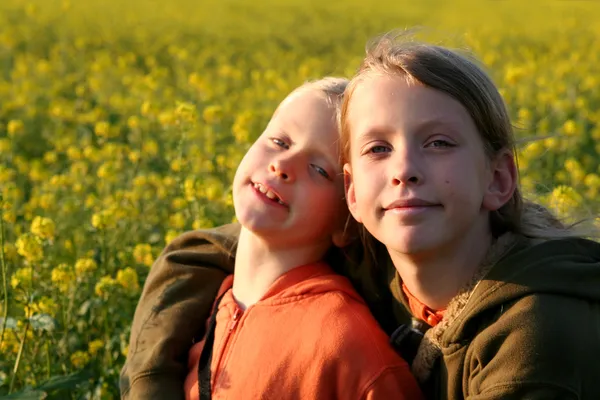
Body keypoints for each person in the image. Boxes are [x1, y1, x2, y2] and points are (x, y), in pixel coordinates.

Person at [121, 35, 600, 400]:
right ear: (350, 193)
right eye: (378, 148)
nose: (405, 171)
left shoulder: (536, 335)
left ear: (498, 179)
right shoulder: (375, 258)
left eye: (438, 143)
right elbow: (207, 251)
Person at [122, 77, 423, 400]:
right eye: (279, 141)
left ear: (347, 224)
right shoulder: (207, 305)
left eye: (319, 170)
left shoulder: (345, 340)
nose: (282, 165)